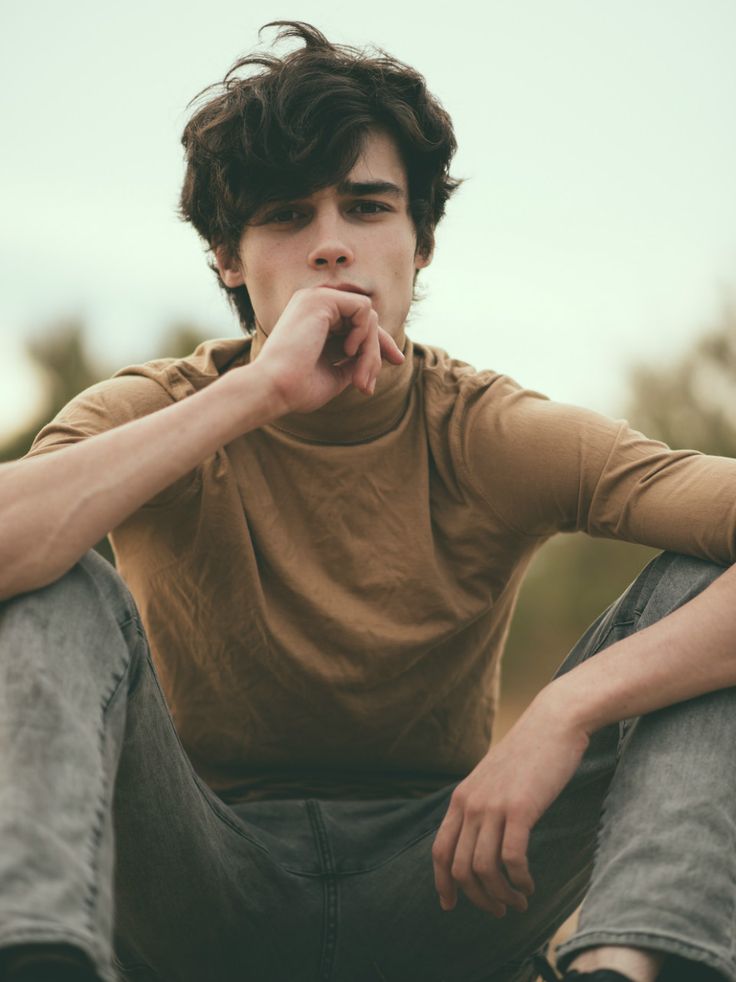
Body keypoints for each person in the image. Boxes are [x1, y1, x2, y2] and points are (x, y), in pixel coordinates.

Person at [0, 19, 735, 982]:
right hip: (202, 884)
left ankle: (635, 967)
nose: (332, 248)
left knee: (698, 588)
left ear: (420, 243)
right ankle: (37, 955)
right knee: (52, 579)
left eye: (367, 208)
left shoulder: (487, 428)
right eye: (287, 217)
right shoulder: (164, 411)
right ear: (229, 256)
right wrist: (255, 393)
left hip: (453, 883)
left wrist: (570, 708)